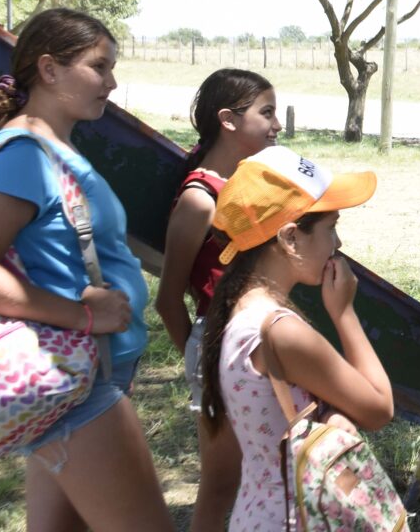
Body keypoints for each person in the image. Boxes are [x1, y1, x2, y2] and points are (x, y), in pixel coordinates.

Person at [0, 8, 174, 530]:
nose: (112, 81)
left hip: (81, 381)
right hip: (78, 384)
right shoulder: (21, 157)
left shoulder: (54, 149)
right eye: (99, 66)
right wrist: (82, 316)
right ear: (50, 69)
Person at [200, 145, 394, 531]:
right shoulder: (282, 331)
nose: (337, 245)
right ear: (289, 238)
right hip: (297, 519)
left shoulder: (236, 313)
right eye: (331, 228)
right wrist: (344, 313)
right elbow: (379, 408)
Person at [154, 68, 281, 531]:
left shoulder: (250, 182)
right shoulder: (200, 198)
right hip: (222, 349)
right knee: (220, 484)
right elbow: (168, 300)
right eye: (265, 112)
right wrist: (205, 363)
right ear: (228, 119)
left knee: (265, 477)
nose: (277, 124)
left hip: (260, 344)